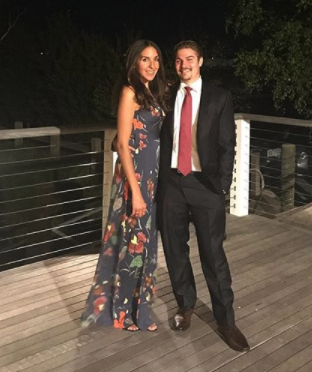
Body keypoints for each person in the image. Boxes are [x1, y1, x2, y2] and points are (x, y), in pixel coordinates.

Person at [157, 40, 250, 352]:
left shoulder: (219, 97)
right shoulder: (167, 95)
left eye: (189, 59)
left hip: (205, 184)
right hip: (171, 182)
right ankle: (185, 305)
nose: (184, 64)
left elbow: (227, 145)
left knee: (213, 254)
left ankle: (226, 321)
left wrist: (222, 185)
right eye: (178, 60)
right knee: (174, 249)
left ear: (200, 61)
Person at [81, 39, 167, 332]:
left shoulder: (153, 92)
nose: (152, 65)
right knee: (132, 244)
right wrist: (136, 192)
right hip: (135, 178)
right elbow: (122, 144)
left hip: (152, 177)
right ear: (134, 62)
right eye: (145, 59)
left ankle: (141, 309)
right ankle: (122, 312)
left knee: (147, 245)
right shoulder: (130, 92)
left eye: (156, 59)